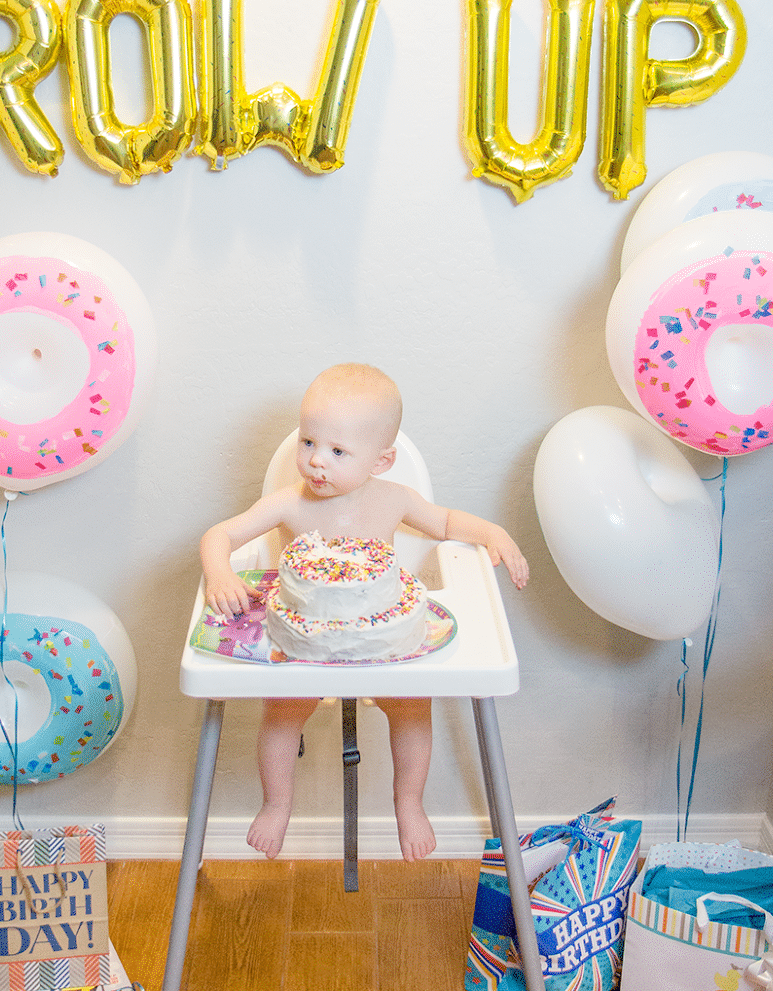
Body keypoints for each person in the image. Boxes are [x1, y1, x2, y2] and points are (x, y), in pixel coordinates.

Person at [200, 363, 529, 862]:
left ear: (382, 460)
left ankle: (409, 803)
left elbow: (443, 522)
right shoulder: (289, 503)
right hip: (304, 641)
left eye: (337, 451)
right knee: (281, 714)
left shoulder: (394, 499)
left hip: (382, 639)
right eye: (308, 442)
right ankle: (277, 803)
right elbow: (218, 536)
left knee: (414, 707)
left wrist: (494, 534)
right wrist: (220, 574)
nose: (316, 463)